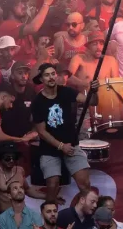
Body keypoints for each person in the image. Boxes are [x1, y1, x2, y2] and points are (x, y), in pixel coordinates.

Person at [31, 63, 98, 202]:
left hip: (72, 146)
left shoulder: (67, 91)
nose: (51, 77)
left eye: (53, 74)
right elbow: (42, 132)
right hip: (49, 150)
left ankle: (88, 213)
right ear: (41, 79)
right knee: (52, 185)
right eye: (47, 75)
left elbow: (91, 102)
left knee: (85, 184)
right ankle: (50, 213)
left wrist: (94, 91)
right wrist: (61, 146)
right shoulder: (38, 102)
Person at [0, 141, 46, 218]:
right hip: (6, 217)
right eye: (7, 158)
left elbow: (27, 190)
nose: (11, 161)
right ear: (1, 158)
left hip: (22, 216)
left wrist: (48, 196)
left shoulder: (20, 170)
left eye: (14, 158)